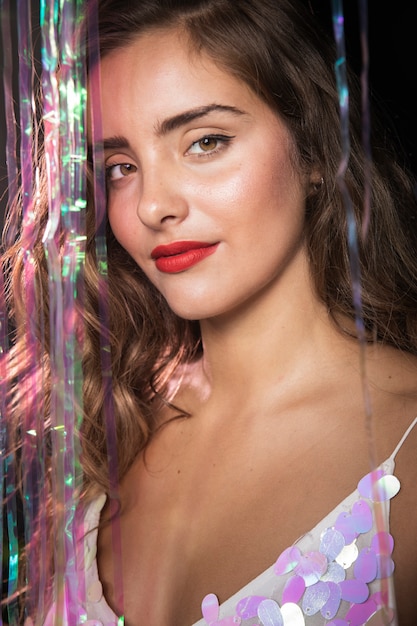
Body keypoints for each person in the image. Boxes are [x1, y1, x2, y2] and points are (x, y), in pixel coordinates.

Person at [3, 0, 417, 624]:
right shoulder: (108, 428)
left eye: (206, 142)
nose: (152, 206)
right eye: (121, 167)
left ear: (312, 151)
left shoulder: (406, 447)